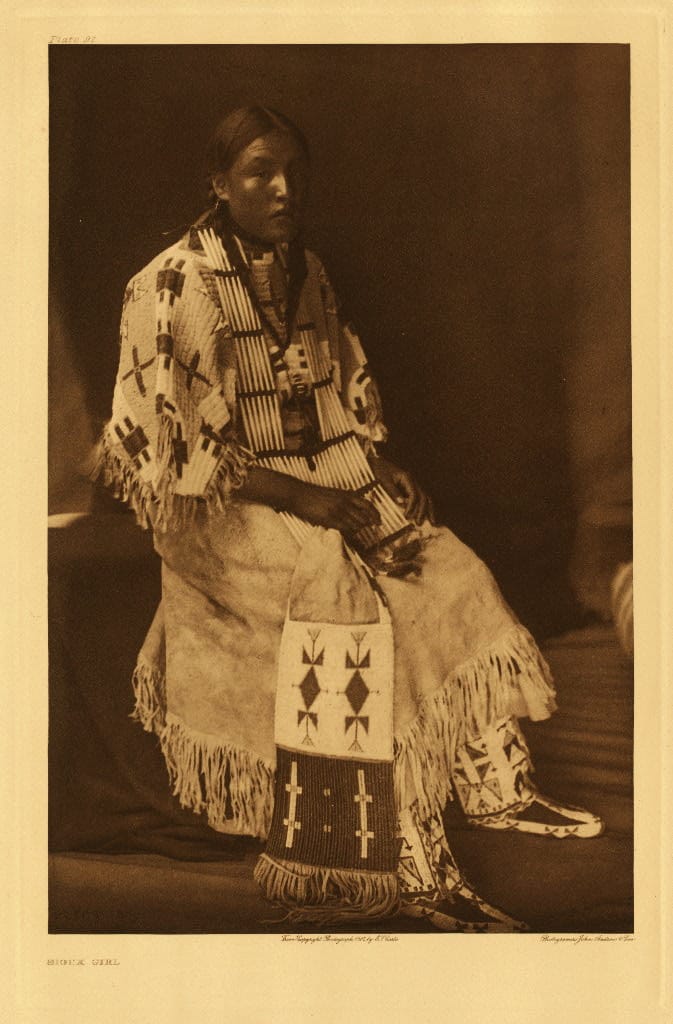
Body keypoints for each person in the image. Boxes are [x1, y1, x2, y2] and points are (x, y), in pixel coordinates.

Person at [96, 105, 603, 932]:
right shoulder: (171, 283)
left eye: (294, 170)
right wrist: (304, 499)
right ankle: (404, 862)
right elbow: (177, 446)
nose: (284, 189)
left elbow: (334, 394)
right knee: (347, 604)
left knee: (449, 569)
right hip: (217, 509)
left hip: (319, 475)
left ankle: (493, 787)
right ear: (219, 184)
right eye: (260, 172)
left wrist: (378, 466)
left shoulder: (307, 270)